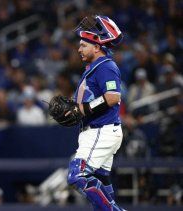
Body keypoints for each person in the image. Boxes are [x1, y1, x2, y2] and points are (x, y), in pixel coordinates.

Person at [52, 15, 126, 210]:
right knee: (101, 181)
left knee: (77, 175)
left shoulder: (105, 66)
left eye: (84, 45)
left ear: (97, 46)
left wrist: (82, 108)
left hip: (101, 130)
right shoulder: (93, 68)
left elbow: (113, 97)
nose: (79, 49)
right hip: (97, 131)